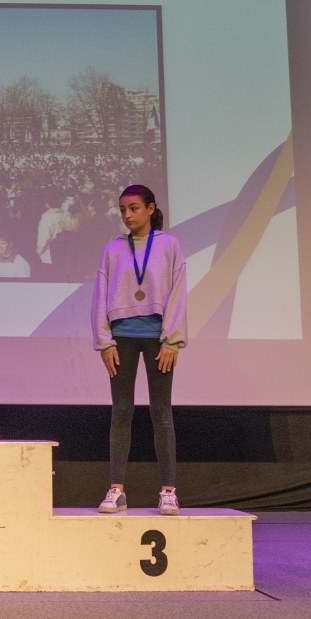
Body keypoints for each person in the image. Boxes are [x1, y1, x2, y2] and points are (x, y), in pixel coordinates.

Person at [90, 184, 187, 516]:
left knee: (161, 412)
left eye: (133, 208)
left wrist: (173, 339)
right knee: (121, 412)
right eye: (122, 210)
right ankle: (117, 490)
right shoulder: (112, 249)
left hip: (159, 339)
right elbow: (100, 296)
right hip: (122, 339)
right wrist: (104, 342)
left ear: (150, 208)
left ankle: (168, 491)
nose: (127, 215)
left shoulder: (169, 245)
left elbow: (178, 293)